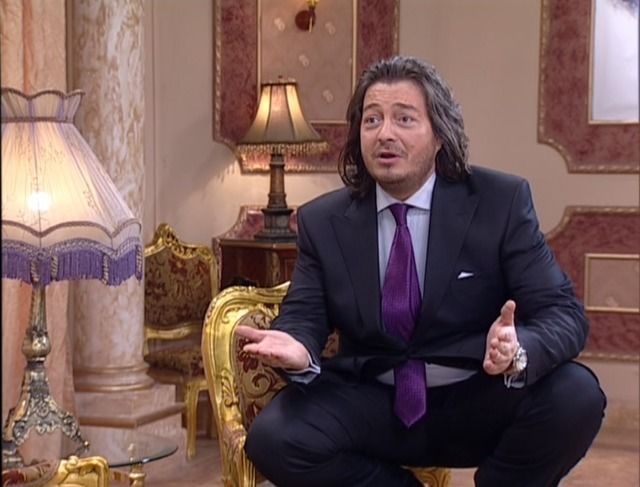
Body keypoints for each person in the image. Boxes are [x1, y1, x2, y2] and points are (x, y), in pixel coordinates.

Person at [236, 55, 606, 487]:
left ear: (440, 135)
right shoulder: (324, 220)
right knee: (274, 438)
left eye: (404, 118)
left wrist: (517, 349)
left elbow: (564, 314)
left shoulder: (499, 202)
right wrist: (299, 346)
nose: (385, 133)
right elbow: (304, 313)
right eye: (372, 120)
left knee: (576, 394)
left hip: (475, 395)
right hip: (373, 397)